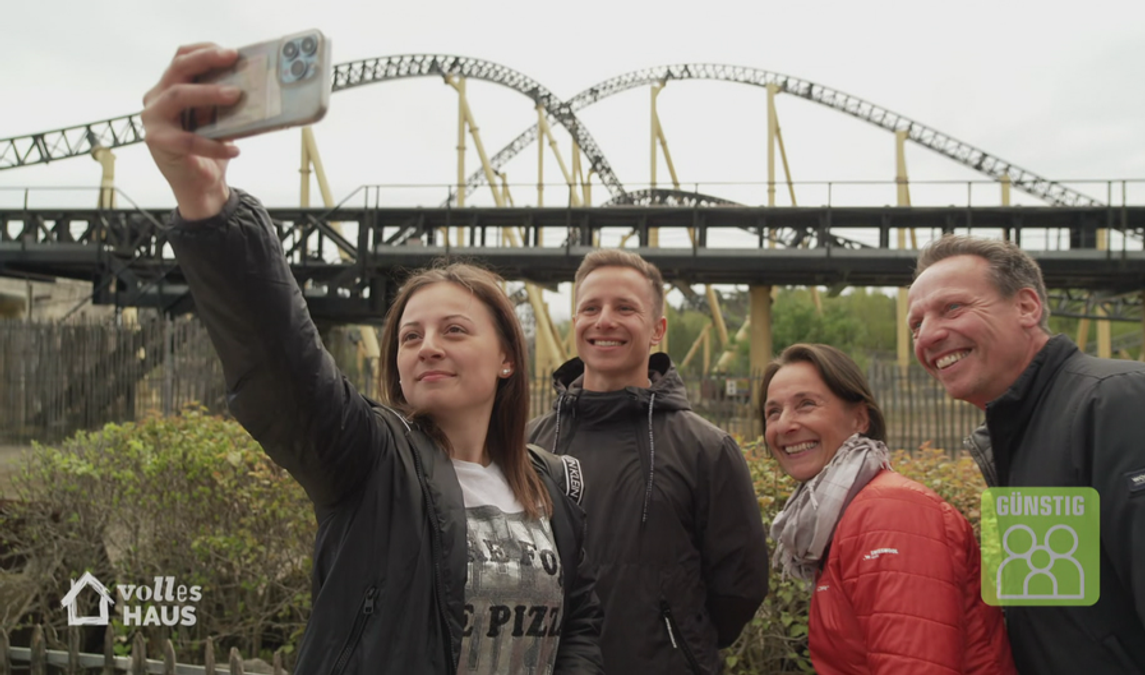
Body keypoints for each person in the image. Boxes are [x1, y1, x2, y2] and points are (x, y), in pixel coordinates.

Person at [142, 43, 603, 675]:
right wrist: (210, 204)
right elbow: (284, 368)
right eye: (409, 337)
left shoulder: (554, 484)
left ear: (507, 359)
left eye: (454, 329)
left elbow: (579, 622)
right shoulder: (372, 461)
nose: (427, 345)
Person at [907, 234, 1145, 674]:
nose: (928, 334)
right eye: (916, 324)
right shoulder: (1021, 431)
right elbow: (1063, 614)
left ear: (1027, 307)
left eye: (953, 308)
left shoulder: (1124, 404)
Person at [527, 249, 769, 674]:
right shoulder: (528, 443)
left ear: (657, 329)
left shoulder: (706, 448)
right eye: (590, 308)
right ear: (575, 324)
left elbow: (739, 587)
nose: (604, 320)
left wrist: (678, 640)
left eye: (625, 308)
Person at [760, 343, 1016, 675]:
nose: (784, 425)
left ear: (860, 418)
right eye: (773, 412)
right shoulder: (843, 515)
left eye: (806, 404)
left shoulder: (889, 514)